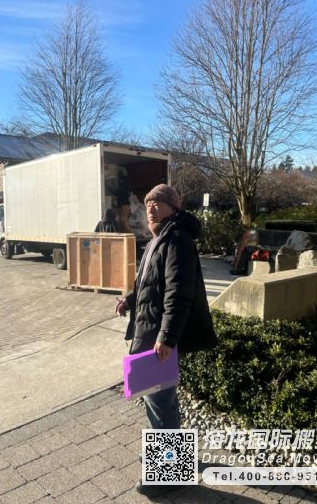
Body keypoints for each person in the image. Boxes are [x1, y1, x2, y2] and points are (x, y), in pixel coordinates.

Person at [115, 183, 217, 495]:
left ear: (174, 208)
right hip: (150, 331)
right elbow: (149, 282)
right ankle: (171, 456)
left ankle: (170, 473)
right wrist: (130, 300)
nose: (151, 207)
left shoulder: (177, 240)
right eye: (148, 203)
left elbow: (178, 292)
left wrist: (168, 337)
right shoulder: (158, 239)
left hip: (159, 336)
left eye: (158, 203)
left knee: (159, 401)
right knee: (159, 398)